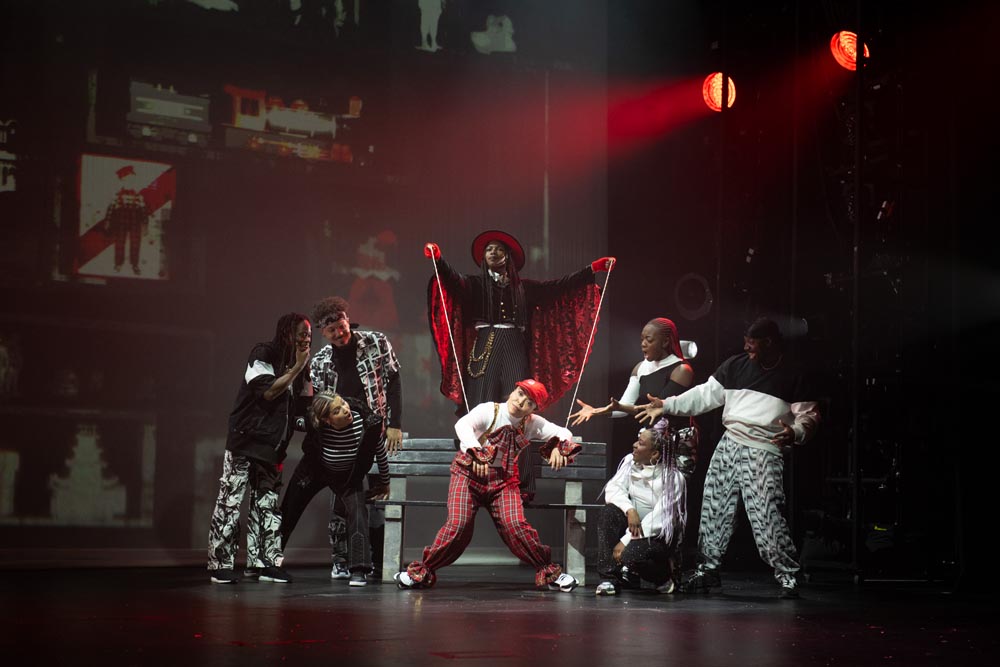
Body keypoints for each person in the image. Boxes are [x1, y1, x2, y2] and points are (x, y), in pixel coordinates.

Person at [636, 317, 820, 598]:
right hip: (729, 443)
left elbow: (809, 416)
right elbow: (704, 396)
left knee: (766, 514)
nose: (747, 346)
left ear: (769, 342)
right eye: (746, 340)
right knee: (715, 507)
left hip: (764, 447)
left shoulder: (792, 372)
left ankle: (787, 574)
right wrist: (667, 405)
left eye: (753, 342)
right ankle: (708, 570)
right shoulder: (735, 366)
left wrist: (794, 432)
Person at [425, 230, 613, 500]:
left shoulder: (524, 288)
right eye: (488, 249)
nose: (492, 253)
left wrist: (591, 270)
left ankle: (521, 485)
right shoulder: (475, 284)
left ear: (508, 256)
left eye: (498, 249)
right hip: (485, 345)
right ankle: (473, 475)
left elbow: (558, 286)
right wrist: (439, 259)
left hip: (514, 343)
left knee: (521, 411)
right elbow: (452, 280)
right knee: (480, 404)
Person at [393, 379, 583, 592]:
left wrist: (557, 445)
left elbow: (564, 432)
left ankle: (550, 573)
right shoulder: (489, 411)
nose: (521, 402)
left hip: (502, 482)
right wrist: (477, 452)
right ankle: (420, 572)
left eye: (529, 402)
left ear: (533, 409)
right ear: (513, 391)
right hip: (467, 475)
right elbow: (462, 425)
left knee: (516, 525)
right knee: (458, 525)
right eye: (520, 393)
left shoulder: (531, 423)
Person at [207, 313, 311, 584]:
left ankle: (263, 563)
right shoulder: (264, 353)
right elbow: (266, 391)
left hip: (273, 446)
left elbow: (300, 406)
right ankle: (220, 564)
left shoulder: (302, 365)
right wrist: (298, 368)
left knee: (266, 505)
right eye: (301, 333)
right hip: (247, 439)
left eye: (309, 334)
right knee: (231, 500)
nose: (306, 338)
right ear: (287, 332)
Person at [306, 296, 402, 579]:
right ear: (323, 333)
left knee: (377, 500)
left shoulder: (375, 342)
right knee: (342, 502)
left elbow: (394, 380)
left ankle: (376, 561)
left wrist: (395, 424)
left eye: (341, 324)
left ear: (348, 319)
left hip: (375, 432)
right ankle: (341, 560)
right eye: (331, 329)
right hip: (342, 439)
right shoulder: (320, 362)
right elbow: (319, 405)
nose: (339, 332)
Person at [279, 391, 390, 586]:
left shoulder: (366, 424)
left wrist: (384, 482)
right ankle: (268, 560)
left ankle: (358, 570)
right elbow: (291, 421)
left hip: (348, 476)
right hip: (314, 471)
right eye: (337, 410)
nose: (346, 410)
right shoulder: (314, 424)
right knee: (289, 509)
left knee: (357, 513)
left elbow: (379, 451)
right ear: (327, 420)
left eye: (344, 403)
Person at [595, 417, 695, 595]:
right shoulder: (629, 462)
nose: (634, 445)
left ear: (655, 454)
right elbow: (613, 489)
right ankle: (609, 579)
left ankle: (663, 578)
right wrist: (630, 510)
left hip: (656, 535)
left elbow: (660, 519)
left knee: (630, 555)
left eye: (640, 443)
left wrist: (625, 540)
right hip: (633, 526)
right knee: (608, 512)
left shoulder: (672, 478)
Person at [569, 317, 694, 426]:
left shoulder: (681, 370)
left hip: (675, 441)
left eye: (649, 340)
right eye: (642, 340)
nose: (643, 344)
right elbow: (622, 408)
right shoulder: (640, 368)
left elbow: (657, 409)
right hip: (651, 438)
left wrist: (620, 407)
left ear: (665, 342)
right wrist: (596, 411)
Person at [105, 165, 148, 275]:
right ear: (122, 180)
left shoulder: (138, 195)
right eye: (128, 179)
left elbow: (143, 210)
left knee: (135, 243)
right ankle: (118, 264)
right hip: (121, 221)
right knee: (119, 242)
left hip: (135, 222)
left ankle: (135, 265)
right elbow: (111, 208)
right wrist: (108, 221)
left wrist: (145, 224)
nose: (130, 182)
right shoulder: (117, 195)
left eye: (132, 179)